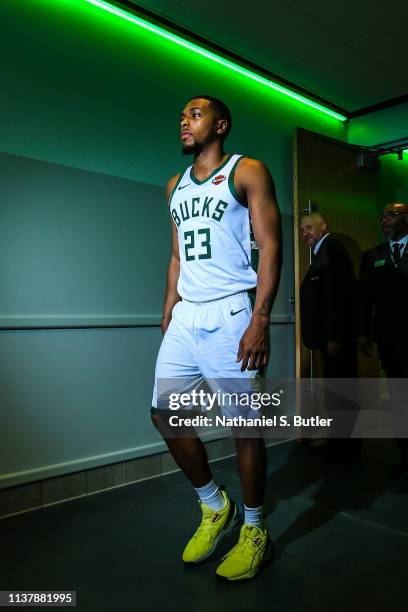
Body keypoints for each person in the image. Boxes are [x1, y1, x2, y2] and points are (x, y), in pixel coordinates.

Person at [150, 95, 282, 581]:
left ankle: (254, 529)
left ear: (221, 125)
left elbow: (270, 244)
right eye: (182, 115)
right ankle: (213, 504)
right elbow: (177, 255)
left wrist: (260, 318)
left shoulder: (247, 171)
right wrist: (169, 306)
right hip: (187, 316)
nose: (185, 121)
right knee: (164, 414)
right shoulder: (174, 186)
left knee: (244, 427)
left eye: (196, 114)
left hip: (232, 313)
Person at [300, 213, 359, 457]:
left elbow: (337, 296)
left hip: (336, 338)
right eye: (303, 230)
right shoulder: (323, 251)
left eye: (310, 227)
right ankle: (339, 444)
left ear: (324, 227)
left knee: (340, 392)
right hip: (328, 337)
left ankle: (343, 449)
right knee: (337, 390)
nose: (305, 233)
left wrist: (334, 337)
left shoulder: (332, 248)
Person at [359, 202, 408, 474]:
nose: (385, 220)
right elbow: (364, 300)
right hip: (389, 339)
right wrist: (363, 333)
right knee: (399, 398)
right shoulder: (372, 257)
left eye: (392, 215)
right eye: (383, 215)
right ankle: (405, 455)